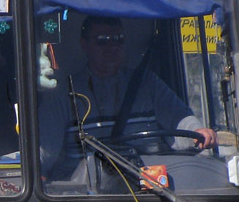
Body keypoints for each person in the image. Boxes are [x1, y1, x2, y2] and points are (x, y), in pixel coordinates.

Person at [39, 16, 216, 178]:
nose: (112, 47)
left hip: (151, 188)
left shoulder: (148, 83)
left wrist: (198, 132)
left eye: (118, 40)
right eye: (103, 41)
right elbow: (44, 154)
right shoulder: (64, 94)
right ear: (84, 45)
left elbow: (180, 119)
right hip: (87, 198)